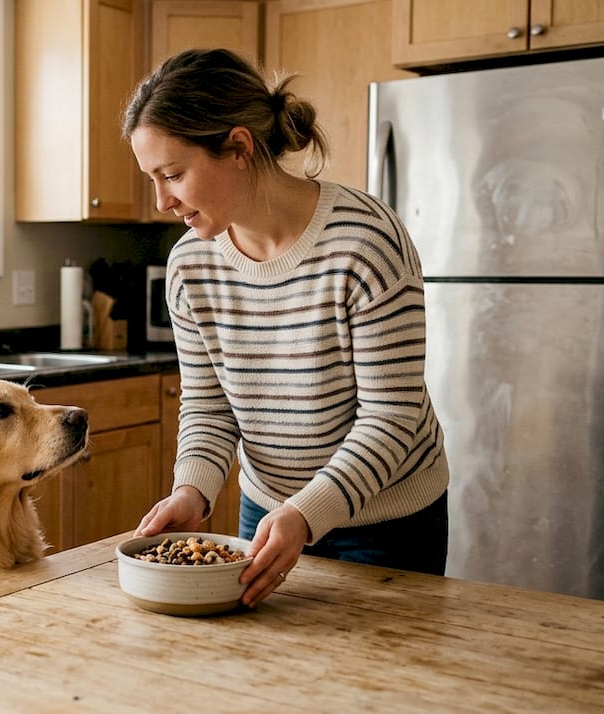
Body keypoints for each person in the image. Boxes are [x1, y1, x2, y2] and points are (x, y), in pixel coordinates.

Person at [123, 48, 449, 608]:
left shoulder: (365, 244)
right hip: (271, 511)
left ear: (239, 147)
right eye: (153, 179)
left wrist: (308, 512)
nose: (162, 201)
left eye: (173, 174)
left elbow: (391, 417)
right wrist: (193, 490)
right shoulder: (190, 266)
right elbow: (208, 407)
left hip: (388, 521)